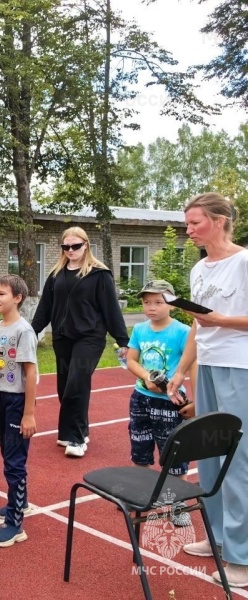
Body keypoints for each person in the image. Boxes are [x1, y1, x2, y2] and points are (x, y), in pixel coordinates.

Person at [167, 192, 248, 588]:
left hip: (240, 368)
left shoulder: (245, 261)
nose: (189, 230)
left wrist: (221, 320)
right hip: (209, 367)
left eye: (195, 222)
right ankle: (218, 536)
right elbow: (199, 325)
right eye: (187, 223)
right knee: (211, 456)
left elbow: (219, 320)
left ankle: (243, 558)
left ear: (219, 220)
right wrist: (181, 370)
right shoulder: (200, 268)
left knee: (239, 461)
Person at [31, 226, 129, 458]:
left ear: (86, 245)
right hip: (62, 338)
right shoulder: (56, 275)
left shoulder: (99, 274)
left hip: (90, 338)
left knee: (77, 384)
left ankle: (76, 439)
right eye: (66, 246)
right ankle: (75, 431)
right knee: (64, 387)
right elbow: (45, 307)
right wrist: (31, 331)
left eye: (75, 246)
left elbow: (111, 309)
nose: (71, 250)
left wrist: (123, 340)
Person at [125, 279, 195, 527]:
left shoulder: (183, 332)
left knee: (175, 454)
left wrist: (194, 399)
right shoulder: (140, 330)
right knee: (140, 448)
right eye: (146, 302)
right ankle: (141, 496)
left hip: (170, 402)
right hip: (141, 399)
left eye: (158, 302)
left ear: (172, 305)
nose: (151, 307)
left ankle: (178, 504)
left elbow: (192, 364)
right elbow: (132, 360)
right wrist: (146, 377)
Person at [0, 274, 38, 548]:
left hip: (18, 403)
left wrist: (29, 413)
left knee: (15, 461)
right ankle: (21, 501)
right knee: (7, 453)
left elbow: (30, 373)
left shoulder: (23, 330)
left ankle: (15, 524)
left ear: (17, 298)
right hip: (0, 399)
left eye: (2, 294)